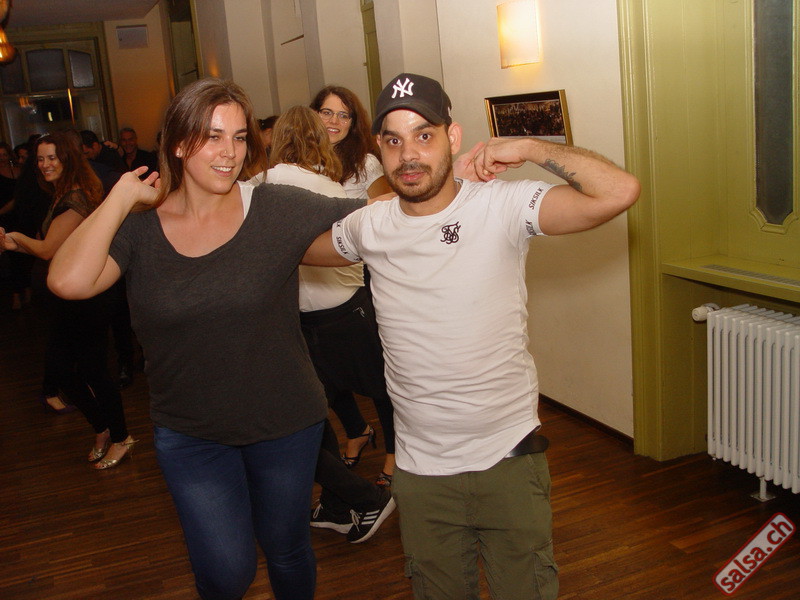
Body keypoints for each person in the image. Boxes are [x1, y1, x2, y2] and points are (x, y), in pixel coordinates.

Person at [302, 73, 641, 599]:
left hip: (507, 458)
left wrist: (530, 147)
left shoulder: (501, 206)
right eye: (393, 140)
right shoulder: (370, 226)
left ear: (453, 137)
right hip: (421, 471)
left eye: (424, 135)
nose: (409, 154)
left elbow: (619, 191)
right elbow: (297, 250)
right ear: (378, 150)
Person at [47, 78, 367, 600]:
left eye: (239, 138)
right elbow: (67, 281)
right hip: (191, 433)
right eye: (213, 136)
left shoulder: (275, 207)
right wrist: (121, 197)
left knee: (286, 549)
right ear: (177, 143)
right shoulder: (140, 227)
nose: (229, 153)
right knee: (226, 572)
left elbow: (371, 221)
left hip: (284, 421)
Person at [256, 105, 395, 543]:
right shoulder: (323, 187)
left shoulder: (265, 186)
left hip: (328, 315)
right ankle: (352, 486)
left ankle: (368, 481)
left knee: (327, 407)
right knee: (357, 397)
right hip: (334, 312)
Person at [0, 132, 134, 464]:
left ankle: (121, 437)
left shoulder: (76, 198)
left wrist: (16, 237)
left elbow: (47, 250)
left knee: (93, 370)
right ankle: (103, 427)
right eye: (40, 159)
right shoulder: (63, 193)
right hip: (68, 299)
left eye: (51, 158)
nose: (44, 164)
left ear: (68, 159)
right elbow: (52, 247)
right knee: (63, 371)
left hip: (85, 299)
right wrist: (18, 244)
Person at [310, 85, 396, 484]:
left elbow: (388, 216)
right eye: (327, 112)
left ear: (353, 122)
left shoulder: (365, 164)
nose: (334, 121)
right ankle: (357, 430)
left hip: (355, 282)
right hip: (308, 285)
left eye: (343, 115)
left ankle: (394, 454)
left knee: (376, 377)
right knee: (325, 376)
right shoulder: (301, 162)